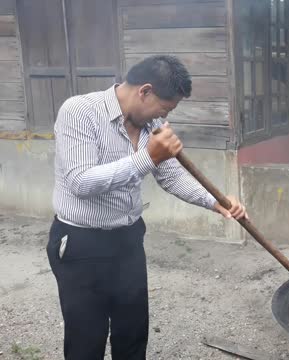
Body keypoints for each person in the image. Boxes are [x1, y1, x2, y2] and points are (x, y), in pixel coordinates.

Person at [47, 55, 248, 360]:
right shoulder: (79, 111)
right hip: (80, 244)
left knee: (133, 332)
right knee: (86, 338)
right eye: (165, 108)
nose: (164, 116)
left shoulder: (151, 124)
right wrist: (148, 158)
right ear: (145, 91)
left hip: (128, 240)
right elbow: (80, 182)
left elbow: (171, 175)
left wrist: (217, 203)